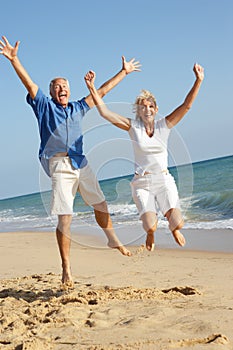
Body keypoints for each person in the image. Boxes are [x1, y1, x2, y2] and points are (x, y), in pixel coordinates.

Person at [0, 35, 141, 285]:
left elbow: (103, 91)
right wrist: (14, 60)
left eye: (65, 86)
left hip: (81, 162)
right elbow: (29, 84)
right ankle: (66, 268)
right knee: (65, 218)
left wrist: (124, 72)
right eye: (57, 86)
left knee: (101, 205)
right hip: (59, 166)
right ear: (52, 92)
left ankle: (111, 238)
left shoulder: (78, 107)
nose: (61, 89)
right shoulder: (44, 106)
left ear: (70, 90)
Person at [84, 63, 204, 251]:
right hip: (142, 183)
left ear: (155, 109)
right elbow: (105, 112)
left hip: (164, 180)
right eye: (142, 107)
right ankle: (150, 234)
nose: (147, 109)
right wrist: (92, 88)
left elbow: (186, 106)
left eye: (150, 106)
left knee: (178, 223)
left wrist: (198, 80)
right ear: (138, 111)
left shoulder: (165, 125)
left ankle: (174, 230)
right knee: (150, 225)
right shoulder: (133, 127)